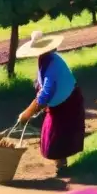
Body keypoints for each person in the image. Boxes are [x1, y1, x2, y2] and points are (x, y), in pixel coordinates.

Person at [17, 31, 85, 174]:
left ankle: (63, 168)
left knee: (56, 137)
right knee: (52, 136)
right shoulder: (44, 60)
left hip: (68, 103)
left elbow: (47, 92)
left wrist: (28, 113)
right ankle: (61, 166)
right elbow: (41, 87)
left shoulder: (53, 63)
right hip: (58, 105)